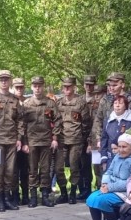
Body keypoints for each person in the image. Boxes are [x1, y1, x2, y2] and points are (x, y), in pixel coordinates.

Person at [82, 133, 131, 220]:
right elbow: (108, 172)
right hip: (111, 188)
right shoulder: (117, 157)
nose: (121, 150)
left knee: (102, 200)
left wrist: (110, 187)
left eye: (124, 147)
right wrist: (105, 184)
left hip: (126, 192)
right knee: (91, 198)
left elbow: (130, 182)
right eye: (119, 146)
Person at [0, 70, 24, 212]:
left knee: (10, 171)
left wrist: (19, 138)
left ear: (10, 81)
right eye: (1, 80)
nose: (4, 82)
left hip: (12, 140)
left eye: (6, 79)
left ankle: (7, 198)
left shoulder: (15, 100)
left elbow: (20, 120)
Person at [22, 76, 62, 207]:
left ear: (43, 86)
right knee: (32, 170)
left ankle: (45, 195)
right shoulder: (26, 104)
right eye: (35, 86)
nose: (37, 88)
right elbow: (22, 124)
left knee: (45, 169)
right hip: (32, 141)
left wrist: (55, 138)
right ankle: (33, 196)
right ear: (32, 87)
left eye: (39, 85)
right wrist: (25, 142)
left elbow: (57, 120)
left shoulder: (50, 103)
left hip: (46, 140)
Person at [56, 77, 91, 205]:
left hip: (76, 140)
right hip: (61, 139)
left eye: (69, 86)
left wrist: (83, 138)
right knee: (58, 168)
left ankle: (72, 193)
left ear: (74, 87)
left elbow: (86, 123)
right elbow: (55, 121)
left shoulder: (81, 103)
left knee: (74, 167)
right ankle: (63, 192)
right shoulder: (58, 103)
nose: (66, 89)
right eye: (64, 86)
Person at [99, 95, 131, 165]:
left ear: (125, 106)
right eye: (115, 103)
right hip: (111, 157)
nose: (117, 105)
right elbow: (104, 139)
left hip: (130, 157)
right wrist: (104, 157)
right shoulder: (108, 120)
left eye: (120, 103)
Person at [78, 75, 98, 200]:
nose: (89, 87)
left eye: (91, 84)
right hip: (82, 136)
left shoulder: (99, 100)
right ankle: (85, 189)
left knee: (97, 164)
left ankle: (98, 188)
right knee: (82, 164)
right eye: (87, 84)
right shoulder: (80, 100)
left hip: (95, 135)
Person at [12, 77, 30, 206]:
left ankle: (25, 195)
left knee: (25, 170)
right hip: (12, 140)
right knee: (12, 171)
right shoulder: (10, 101)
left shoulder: (29, 102)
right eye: (17, 87)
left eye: (21, 87)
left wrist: (26, 142)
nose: (19, 89)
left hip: (28, 140)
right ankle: (15, 196)